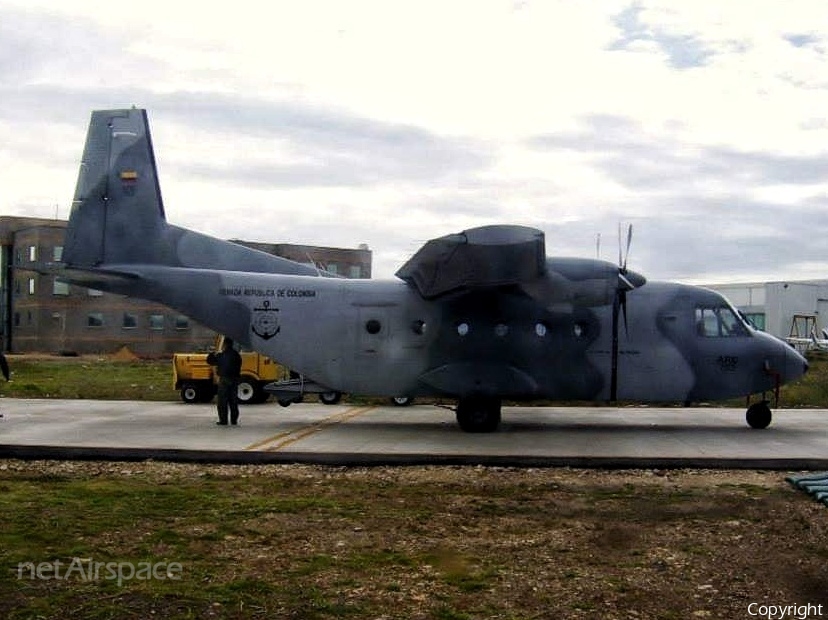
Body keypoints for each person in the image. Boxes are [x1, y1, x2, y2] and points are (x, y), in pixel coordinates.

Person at [206, 338, 242, 426]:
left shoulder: (221, 355)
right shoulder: (237, 355)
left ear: (224, 344)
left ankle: (223, 420)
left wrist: (212, 353)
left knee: (222, 401)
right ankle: (234, 420)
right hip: (234, 379)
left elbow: (210, 361)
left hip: (224, 379)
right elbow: (239, 365)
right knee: (233, 400)